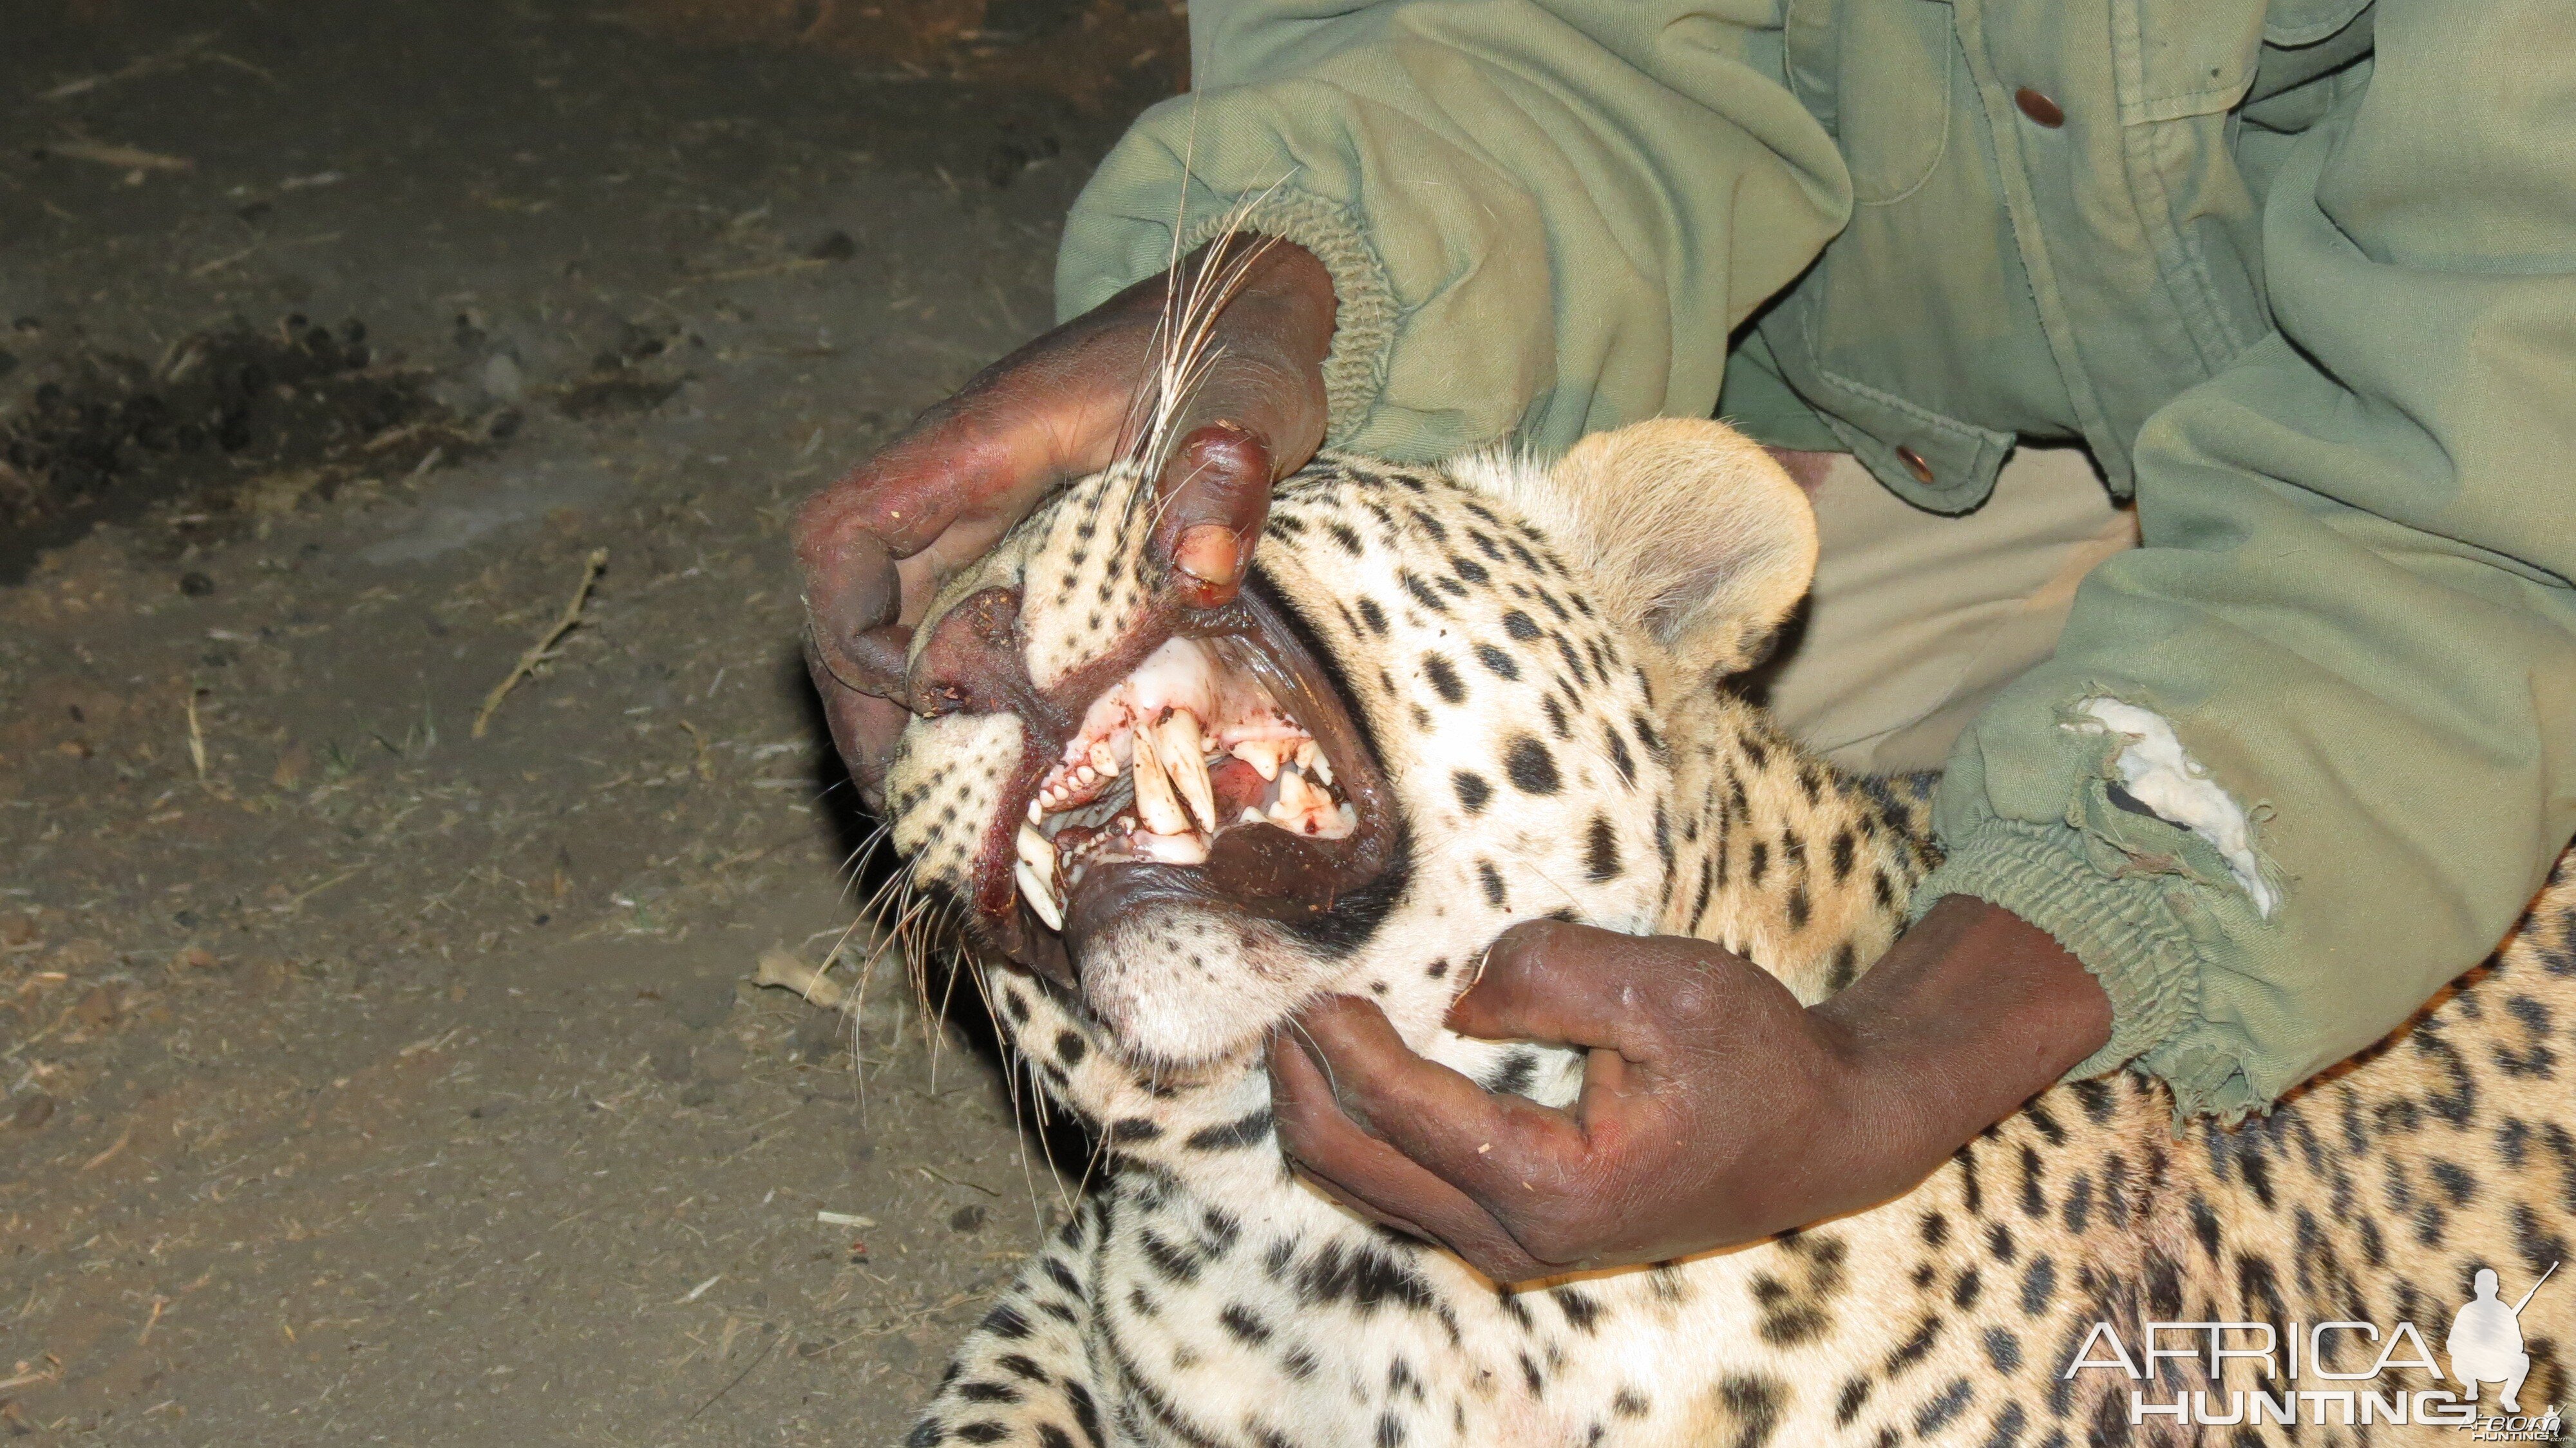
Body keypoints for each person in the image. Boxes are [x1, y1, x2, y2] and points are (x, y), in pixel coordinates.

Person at [795, 0, 2576, 1280]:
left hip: (2466, 428)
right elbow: (1574, 45)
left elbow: (2495, 483)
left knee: (2296, 851)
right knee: (1528, 713)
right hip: (1889, 382)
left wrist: (1910, 1061)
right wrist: (1305, 265)